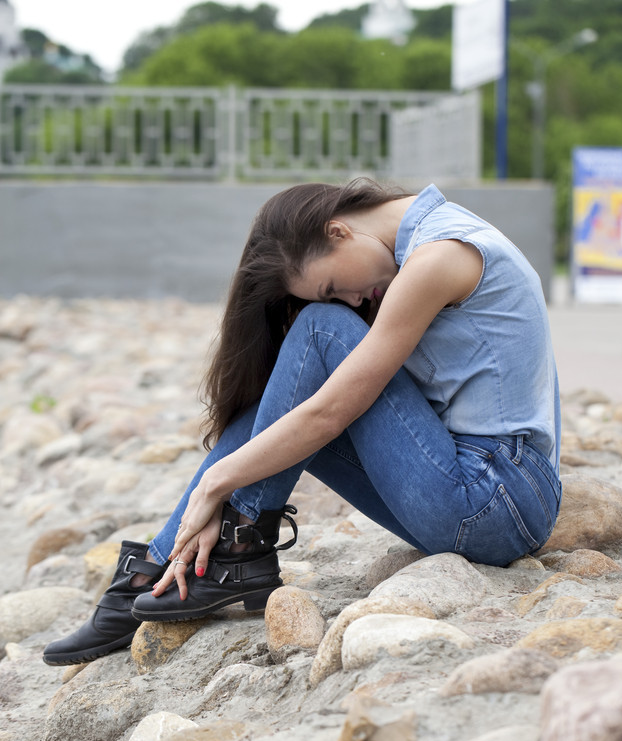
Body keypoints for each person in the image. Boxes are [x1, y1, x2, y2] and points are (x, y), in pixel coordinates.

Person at [43, 179, 562, 667]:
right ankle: (167, 566)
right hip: (476, 493)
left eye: (333, 285)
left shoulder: (440, 255)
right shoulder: (421, 248)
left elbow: (329, 413)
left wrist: (215, 483)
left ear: (338, 231)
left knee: (321, 329)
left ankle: (232, 549)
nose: (351, 300)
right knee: (279, 405)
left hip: (495, 498)